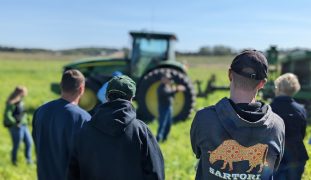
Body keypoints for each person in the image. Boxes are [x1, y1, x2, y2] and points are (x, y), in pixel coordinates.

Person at [190, 50, 285, 179]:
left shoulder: (204, 119)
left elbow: (198, 152)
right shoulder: (277, 126)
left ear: (230, 75)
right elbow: (275, 165)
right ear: (262, 83)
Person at [68, 75, 165, 180]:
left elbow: (73, 172)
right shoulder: (141, 131)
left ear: (106, 97)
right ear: (131, 98)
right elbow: (155, 173)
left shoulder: (85, 130)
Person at [32, 69, 91, 180]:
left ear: (61, 86)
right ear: (81, 89)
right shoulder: (84, 118)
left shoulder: (40, 111)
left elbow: (37, 143)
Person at [271, 73, 308, 180]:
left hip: (276, 157)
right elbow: (302, 133)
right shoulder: (300, 109)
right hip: (297, 155)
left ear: (277, 88)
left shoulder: (269, 109)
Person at [3, 86, 32, 165]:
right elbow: (7, 115)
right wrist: (15, 123)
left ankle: (28, 160)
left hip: (24, 126)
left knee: (29, 143)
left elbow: (23, 113)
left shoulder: (21, 101)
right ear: (20, 93)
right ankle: (14, 161)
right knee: (17, 145)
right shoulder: (11, 103)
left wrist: (28, 120)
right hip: (16, 127)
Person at [156, 73, 185, 142]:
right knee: (162, 124)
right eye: (167, 79)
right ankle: (158, 139)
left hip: (169, 108)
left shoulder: (168, 86)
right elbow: (167, 93)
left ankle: (165, 138)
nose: (169, 80)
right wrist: (176, 89)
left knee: (168, 124)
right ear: (162, 79)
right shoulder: (160, 88)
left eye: (169, 79)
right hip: (163, 108)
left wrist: (174, 88)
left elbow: (171, 94)